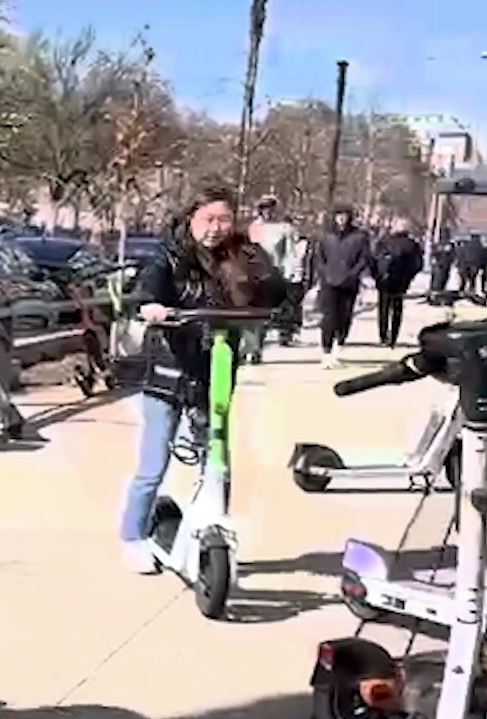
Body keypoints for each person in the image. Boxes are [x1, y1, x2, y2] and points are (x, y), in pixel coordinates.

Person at [122, 186, 284, 575]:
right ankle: (132, 536)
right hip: (169, 370)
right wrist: (150, 305)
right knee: (153, 463)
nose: (215, 228)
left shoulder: (242, 253)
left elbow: (276, 290)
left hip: (217, 369)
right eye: (208, 219)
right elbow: (148, 284)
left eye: (223, 220)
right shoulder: (169, 254)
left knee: (217, 460)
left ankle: (212, 530)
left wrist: (268, 274)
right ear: (191, 218)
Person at [312, 204, 373, 368]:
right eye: (338, 215)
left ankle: (339, 345)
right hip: (329, 282)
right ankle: (326, 351)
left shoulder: (359, 236)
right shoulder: (325, 236)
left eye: (344, 215)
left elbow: (364, 258)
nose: (341, 218)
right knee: (328, 317)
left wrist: (353, 274)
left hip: (349, 283)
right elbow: (319, 257)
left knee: (344, 316)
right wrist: (324, 273)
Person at [248, 195, 305, 345]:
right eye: (264, 209)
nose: (268, 212)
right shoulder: (254, 228)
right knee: (258, 311)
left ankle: (285, 333)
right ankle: (255, 346)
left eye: (270, 209)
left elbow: (289, 253)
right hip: (257, 275)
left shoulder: (284, 228)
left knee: (280, 308)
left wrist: (293, 272)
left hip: (277, 273)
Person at [372, 218, 424, 348]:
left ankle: (383, 335)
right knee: (397, 309)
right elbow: (418, 264)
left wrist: (376, 276)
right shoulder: (412, 244)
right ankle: (393, 337)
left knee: (383, 308)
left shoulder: (384, 242)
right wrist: (408, 278)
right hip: (401, 282)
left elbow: (373, 260)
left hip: (383, 281)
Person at [428, 228, 455, 296]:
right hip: (441, 265)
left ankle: (436, 294)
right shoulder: (443, 244)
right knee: (439, 281)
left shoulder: (444, 244)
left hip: (442, 265)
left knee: (439, 280)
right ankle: (436, 294)